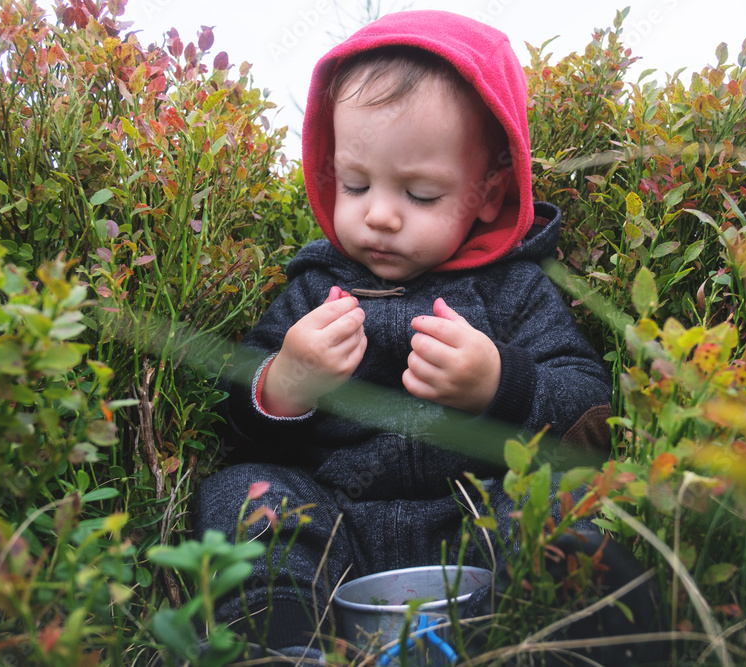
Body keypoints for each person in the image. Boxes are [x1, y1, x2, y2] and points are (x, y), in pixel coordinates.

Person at [191, 9, 661, 666]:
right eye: (356, 183)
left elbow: (586, 409)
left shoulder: (515, 288)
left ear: (488, 193)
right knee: (243, 487)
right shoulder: (314, 287)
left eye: (419, 193)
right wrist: (286, 380)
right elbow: (234, 414)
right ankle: (280, 635)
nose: (379, 214)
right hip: (337, 522)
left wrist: (501, 382)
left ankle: (589, 622)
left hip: (478, 514)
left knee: (553, 496)